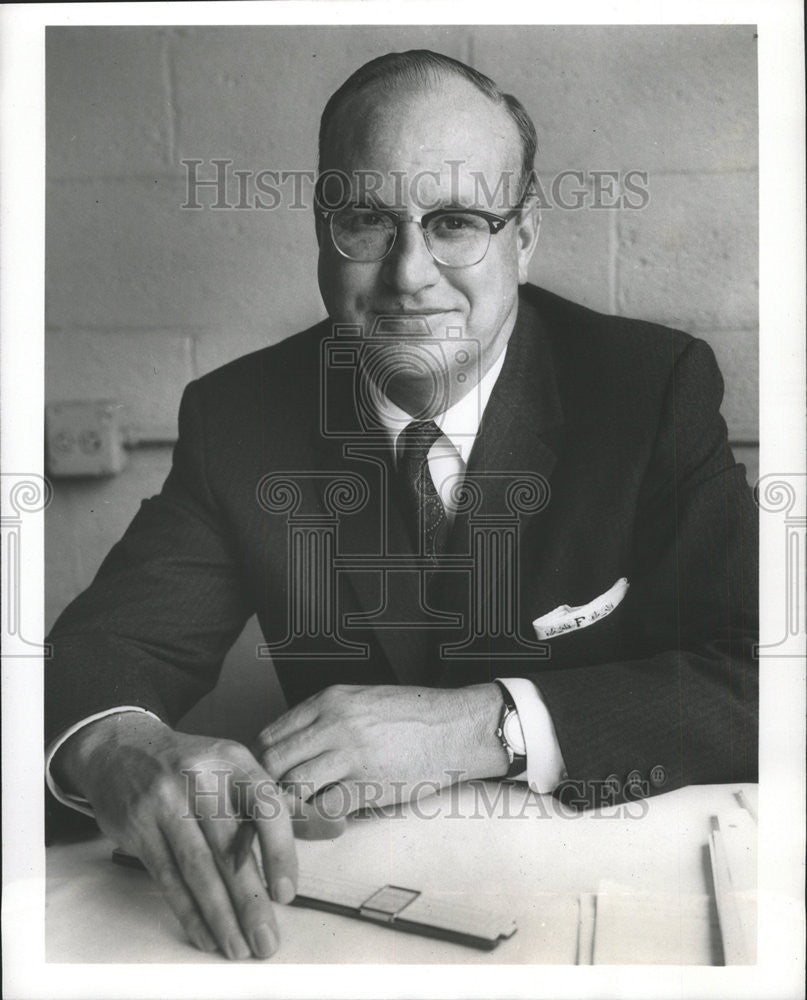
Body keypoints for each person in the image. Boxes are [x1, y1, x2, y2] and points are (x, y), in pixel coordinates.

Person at [45, 50, 758, 961]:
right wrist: (112, 747)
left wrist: (484, 725)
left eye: (456, 221)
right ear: (320, 231)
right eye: (367, 222)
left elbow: (763, 678)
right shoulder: (239, 417)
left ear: (523, 238)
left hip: (614, 897)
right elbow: (98, 652)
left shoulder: (649, 386)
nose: (409, 273)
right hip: (343, 918)